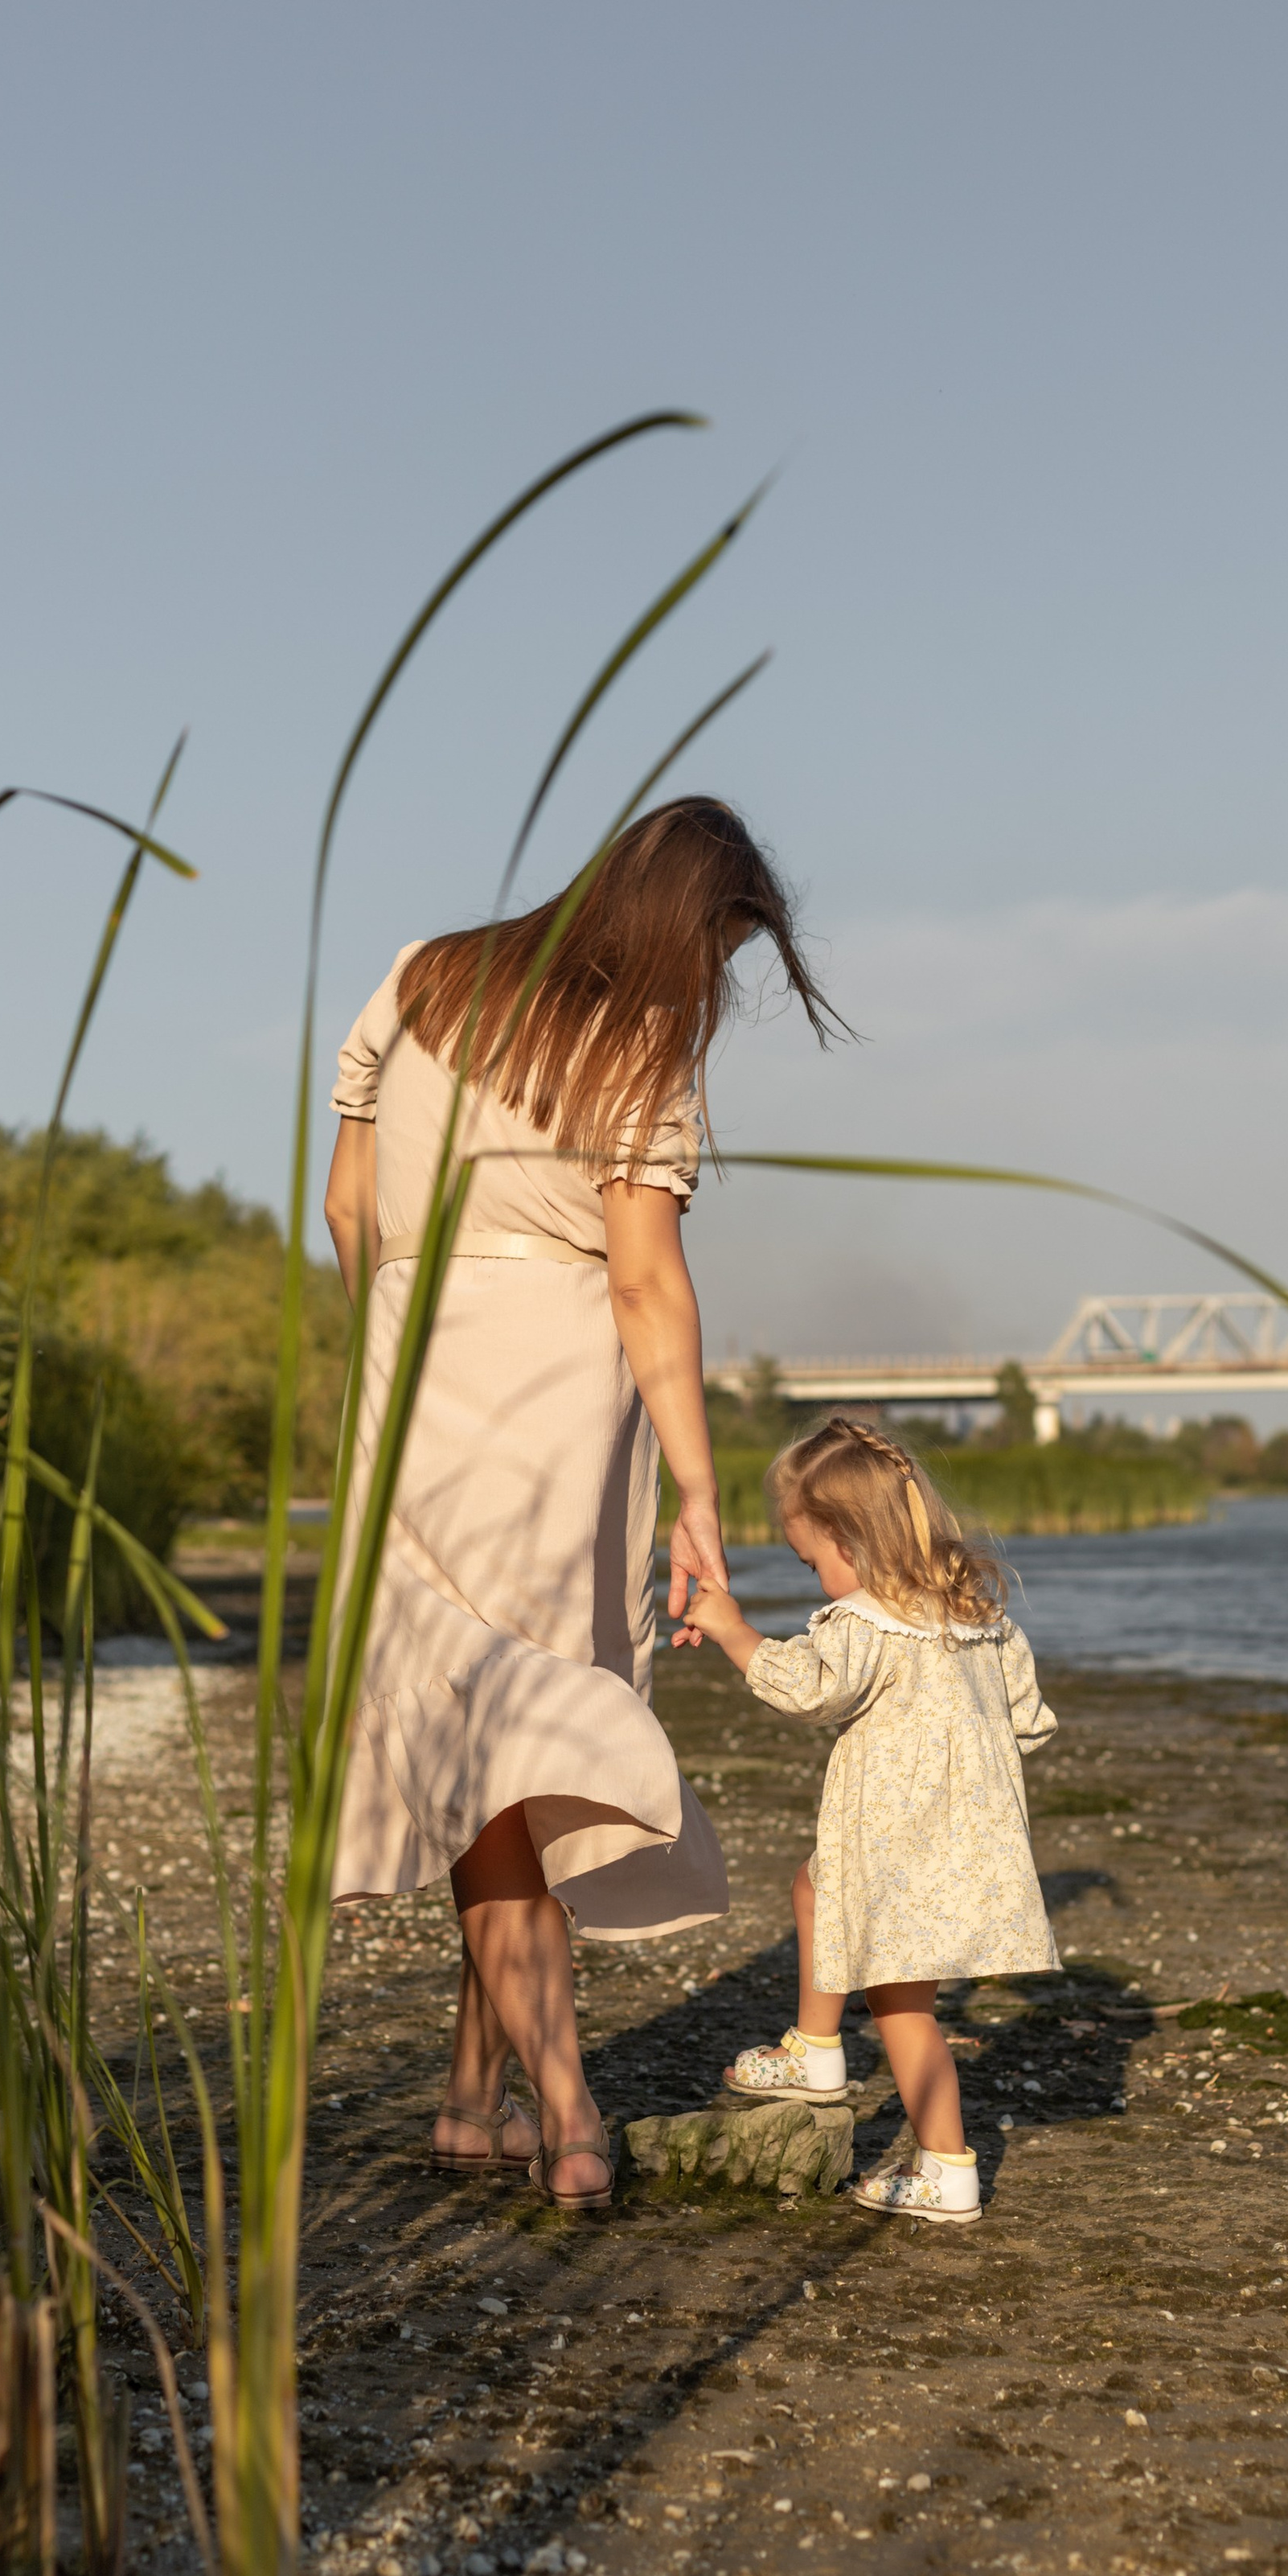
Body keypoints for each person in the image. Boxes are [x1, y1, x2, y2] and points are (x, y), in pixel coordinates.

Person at [322, 797, 839, 2209]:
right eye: (719, 953)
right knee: (519, 1748)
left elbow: (350, 1210)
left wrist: (397, 1339)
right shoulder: (637, 1044)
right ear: (683, 929)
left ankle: (469, 2098)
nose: (712, 983)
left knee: (481, 1747)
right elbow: (645, 1282)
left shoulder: (420, 975)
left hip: (404, 1376)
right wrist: (697, 1487)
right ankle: (567, 2116)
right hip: (556, 1408)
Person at [671, 1415, 1060, 2223]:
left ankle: (945, 2168)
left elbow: (809, 1689)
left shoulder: (865, 1624)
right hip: (959, 1841)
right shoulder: (980, 1619)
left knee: (902, 2010)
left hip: (898, 1848)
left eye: (810, 1561)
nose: (815, 1578)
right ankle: (815, 2050)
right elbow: (1028, 1719)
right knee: (815, 1887)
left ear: (848, 1541)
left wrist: (733, 1629)